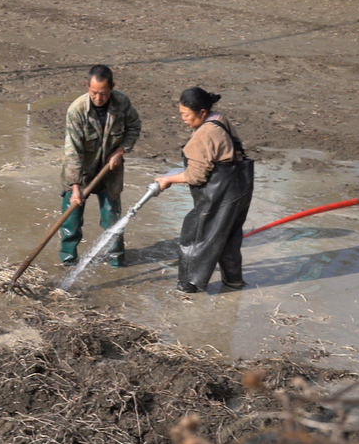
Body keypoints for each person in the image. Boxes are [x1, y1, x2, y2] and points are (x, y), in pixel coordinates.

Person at [155, 87, 254, 293]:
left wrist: (168, 179)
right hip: (241, 187)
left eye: (186, 114)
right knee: (228, 237)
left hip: (221, 192)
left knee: (195, 233)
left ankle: (189, 284)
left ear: (201, 112)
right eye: (181, 113)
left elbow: (196, 176)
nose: (183, 118)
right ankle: (233, 282)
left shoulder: (205, 133)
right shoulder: (220, 119)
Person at [59, 65, 142, 267]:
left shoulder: (122, 103)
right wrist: (76, 188)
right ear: (87, 86)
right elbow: (73, 152)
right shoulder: (77, 110)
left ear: (112, 87)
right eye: (94, 93)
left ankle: (116, 260)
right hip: (80, 172)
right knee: (72, 221)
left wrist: (121, 150)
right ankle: (69, 260)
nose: (98, 98)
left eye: (103, 94)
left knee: (112, 219)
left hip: (109, 171)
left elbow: (134, 126)